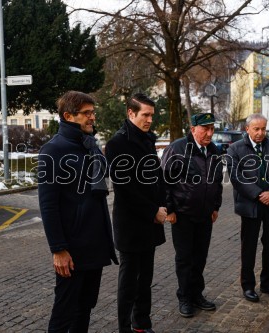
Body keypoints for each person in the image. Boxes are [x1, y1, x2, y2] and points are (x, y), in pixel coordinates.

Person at [38, 91, 118, 333]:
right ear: (68, 116)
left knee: (85, 307)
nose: (92, 117)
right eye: (86, 113)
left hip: (94, 244)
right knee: (65, 312)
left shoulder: (89, 145)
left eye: (93, 113)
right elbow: (48, 205)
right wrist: (58, 249)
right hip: (71, 249)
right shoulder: (53, 150)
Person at [105, 93, 166, 333]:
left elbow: (157, 177)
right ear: (131, 113)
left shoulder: (148, 139)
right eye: (145, 115)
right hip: (131, 223)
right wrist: (153, 211)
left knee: (146, 281)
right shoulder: (117, 143)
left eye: (152, 115)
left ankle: (142, 323)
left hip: (151, 221)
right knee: (129, 283)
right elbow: (125, 188)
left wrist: (163, 205)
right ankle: (124, 328)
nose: (150, 119)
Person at [161, 113, 223, 318]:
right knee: (185, 258)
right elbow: (164, 181)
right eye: (205, 129)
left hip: (205, 214)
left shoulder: (214, 150)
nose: (209, 133)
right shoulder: (178, 148)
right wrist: (169, 209)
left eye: (212, 129)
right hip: (183, 215)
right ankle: (185, 297)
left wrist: (215, 206)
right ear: (193, 128)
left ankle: (197, 294)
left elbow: (217, 181)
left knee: (200, 257)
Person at [226, 113, 269, 303]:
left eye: (263, 128)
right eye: (256, 129)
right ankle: (248, 286)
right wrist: (257, 194)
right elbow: (236, 176)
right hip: (250, 206)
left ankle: (267, 284)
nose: (260, 133)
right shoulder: (236, 149)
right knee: (249, 247)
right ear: (247, 129)